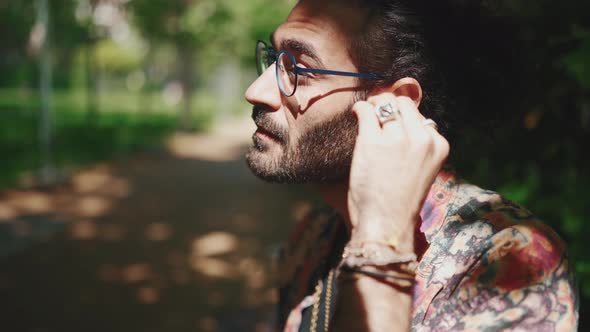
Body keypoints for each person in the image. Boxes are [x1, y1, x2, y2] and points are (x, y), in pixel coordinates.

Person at [244, 0, 578, 331]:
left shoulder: (508, 260)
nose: (256, 91)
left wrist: (381, 242)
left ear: (393, 103)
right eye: (274, 59)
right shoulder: (315, 235)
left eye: (300, 69)